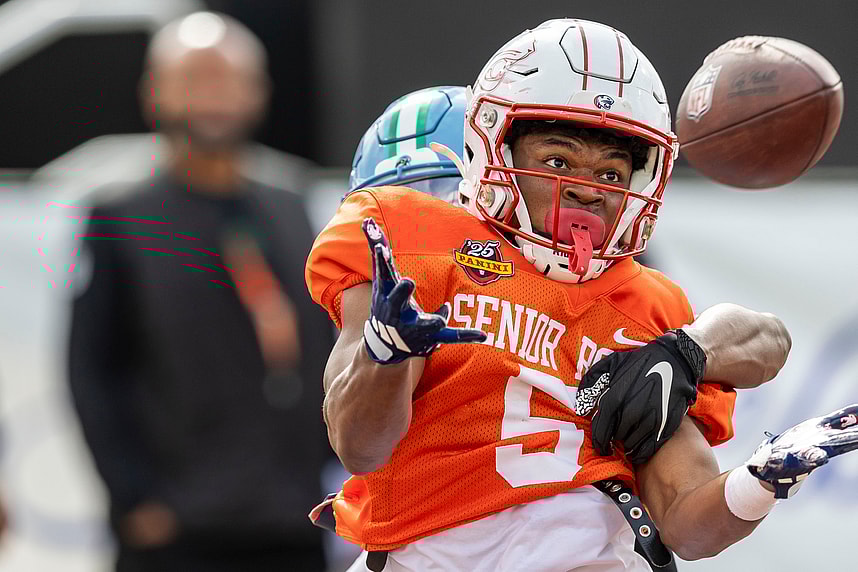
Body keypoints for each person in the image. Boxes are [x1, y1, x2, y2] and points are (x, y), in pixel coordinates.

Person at [304, 19, 858, 571]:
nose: (588, 189)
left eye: (612, 174)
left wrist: (759, 482)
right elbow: (360, 448)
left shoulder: (646, 307)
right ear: (498, 151)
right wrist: (384, 354)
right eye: (558, 161)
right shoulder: (417, 243)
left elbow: (688, 524)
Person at [67, 12, 334, 572]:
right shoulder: (121, 217)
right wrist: (135, 499)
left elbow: (327, 343)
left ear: (260, 90)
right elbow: (92, 371)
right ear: (154, 91)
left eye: (230, 78)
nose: (214, 95)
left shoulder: (291, 207)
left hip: (291, 521)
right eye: (195, 78)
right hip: (178, 531)